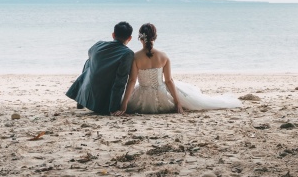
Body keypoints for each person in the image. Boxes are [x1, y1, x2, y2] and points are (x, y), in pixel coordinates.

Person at [113, 23, 241, 115]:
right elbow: (169, 81)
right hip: (162, 97)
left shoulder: (135, 57)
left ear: (140, 38)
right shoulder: (164, 56)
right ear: (154, 37)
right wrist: (178, 102)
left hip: (141, 98)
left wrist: (124, 104)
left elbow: (132, 81)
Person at [66, 21, 135, 115]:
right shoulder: (127, 53)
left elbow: (90, 53)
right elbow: (120, 81)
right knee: (90, 62)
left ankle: (80, 99)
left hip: (88, 94)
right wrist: (113, 108)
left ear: (113, 35)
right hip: (102, 103)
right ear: (130, 38)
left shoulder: (98, 44)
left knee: (89, 62)